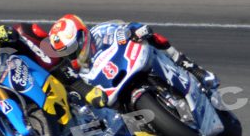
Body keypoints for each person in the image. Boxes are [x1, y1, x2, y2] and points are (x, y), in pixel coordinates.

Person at [47, 15, 218, 92]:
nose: (71, 54)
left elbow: (125, 27)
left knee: (150, 36)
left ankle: (193, 68)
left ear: (83, 35)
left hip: (127, 64)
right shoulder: (75, 72)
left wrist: (135, 31)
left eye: (72, 47)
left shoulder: (100, 32)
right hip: (110, 90)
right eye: (66, 53)